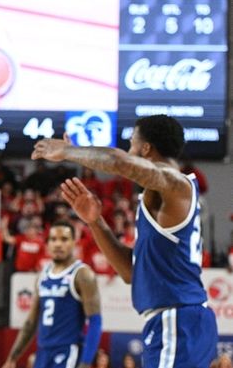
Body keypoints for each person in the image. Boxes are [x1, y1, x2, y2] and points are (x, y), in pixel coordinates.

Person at [32, 114, 218, 368]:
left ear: (145, 149)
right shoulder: (159, 201)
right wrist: (95, 221)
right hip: (173, 320)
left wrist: (69, 151)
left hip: (179, 319)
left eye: (131, 144)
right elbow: (131, 272)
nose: (128, 150)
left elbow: (119, 162)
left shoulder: (177, 184)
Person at [2, 220, 102, 368]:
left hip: (68, 351)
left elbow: (95, 321)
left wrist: (86, 363)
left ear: (74, 243)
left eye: (64, 239)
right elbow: (31, 322)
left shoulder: (82, 274)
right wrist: (12, 358)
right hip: (43, 352)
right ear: (47, 244)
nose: (58, 244)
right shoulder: (43, 275)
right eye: (53, 239)